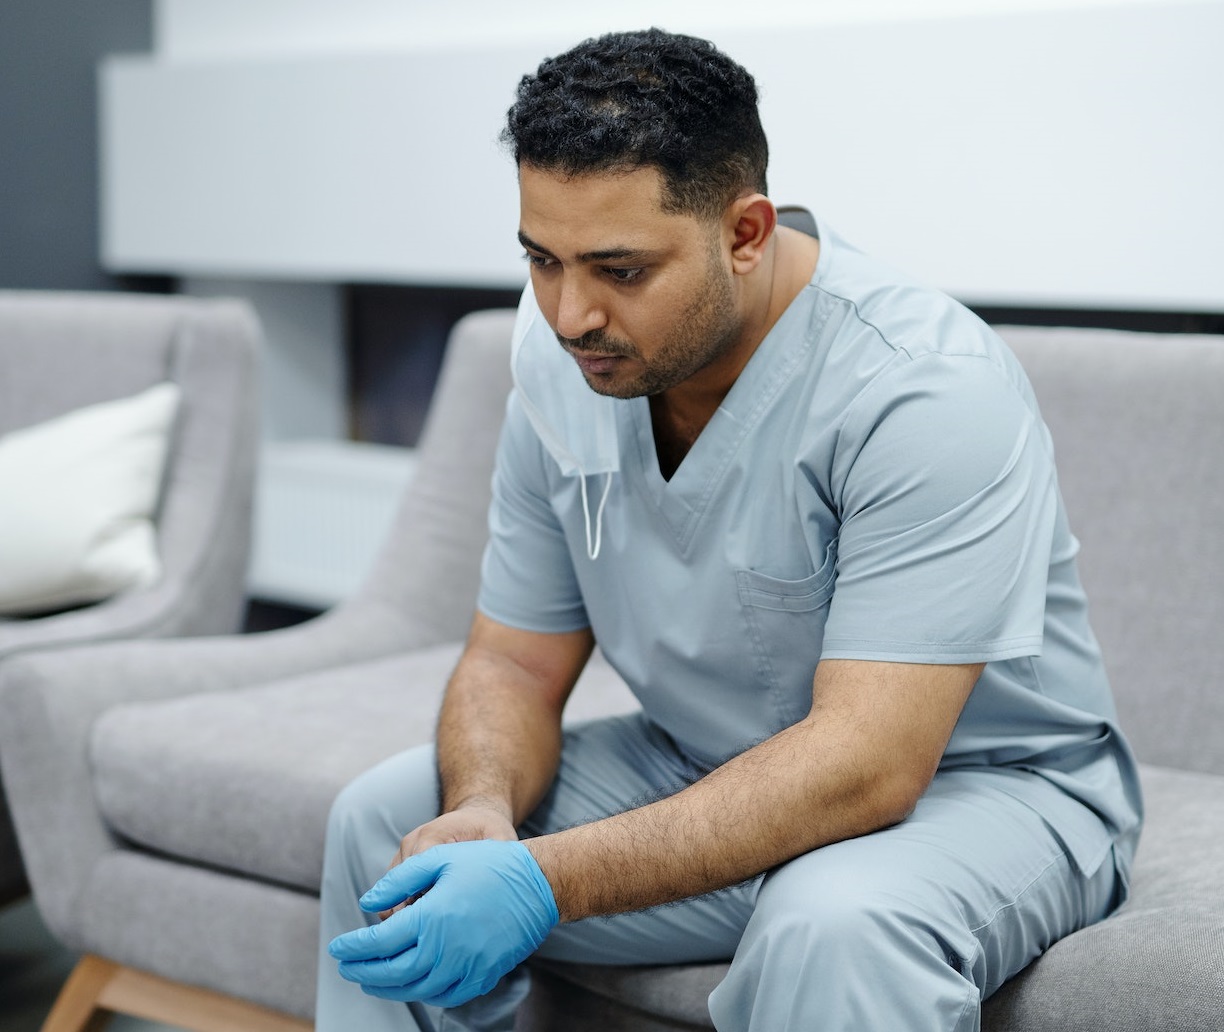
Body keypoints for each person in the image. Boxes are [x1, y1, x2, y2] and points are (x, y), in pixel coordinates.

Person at [317, 27, 1143, 1031]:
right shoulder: (558, 361)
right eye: (542, 258)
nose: (570, 312)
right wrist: (482, 811)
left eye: (618, 269)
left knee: (833, 924)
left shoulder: (921, 389)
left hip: (978, 790)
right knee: (390, 824)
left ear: (744, 232)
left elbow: (869, 762)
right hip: (700, 757)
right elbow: (513, 666)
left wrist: (542, 880)